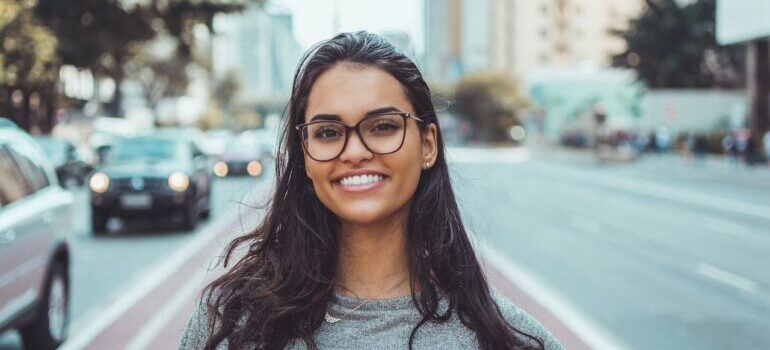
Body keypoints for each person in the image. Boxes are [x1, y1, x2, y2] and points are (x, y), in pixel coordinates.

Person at [179, 31, 563, 350]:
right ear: (305, 154)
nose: (355, 152)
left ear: (427, 145)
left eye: (382, 126)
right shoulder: (227, 325)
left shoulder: (508, 339)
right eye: (328, 133)